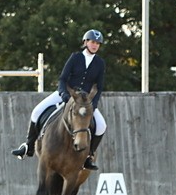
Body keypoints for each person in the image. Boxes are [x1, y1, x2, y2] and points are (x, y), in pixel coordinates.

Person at [11, 29, 107, 170]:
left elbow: (99, 86)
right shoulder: (75, 57)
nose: (95, 45)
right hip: (66, 94)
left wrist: (93, 103)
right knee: (36, 111)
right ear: (85, 42)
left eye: (98, 43)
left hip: (84, 101)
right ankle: (28, 146)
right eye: (92, 42)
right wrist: (64, 95)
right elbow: (63, 79)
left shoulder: (100, 63)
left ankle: (88, 156)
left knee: (102, 126)